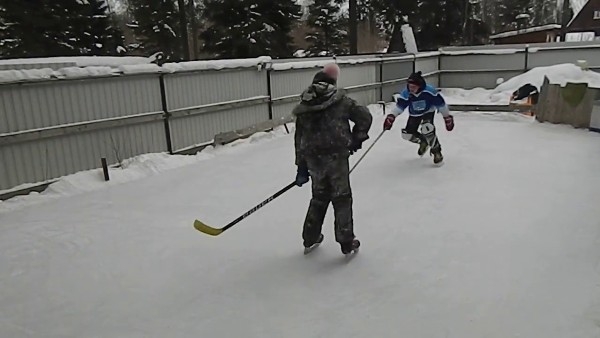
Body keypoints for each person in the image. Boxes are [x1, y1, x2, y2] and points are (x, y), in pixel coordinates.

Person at [292, 63, 373, 254]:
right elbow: (365, 117)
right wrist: (357, 138)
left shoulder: (305, 105)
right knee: (341, 197)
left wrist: (301, 166)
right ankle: (346, 241)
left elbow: (300, 139)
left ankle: (310, 238)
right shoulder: (342, 101)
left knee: (319, 197)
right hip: (337, 157)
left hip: (314, 160)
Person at [383, 71, 454, 164]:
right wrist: (391, 117)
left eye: (413, 87)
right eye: (409, 86)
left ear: (420, 86)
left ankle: (436, 151)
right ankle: (423, 142)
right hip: (415, 113)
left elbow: (441, 105)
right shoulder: (406, 93)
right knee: (407, 135)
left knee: (427, 129)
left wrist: (447, 117)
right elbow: (400, 106)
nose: (411, 89)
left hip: (428, 111)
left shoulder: (430, 91)